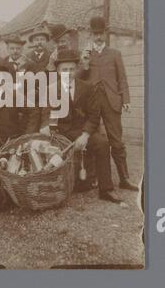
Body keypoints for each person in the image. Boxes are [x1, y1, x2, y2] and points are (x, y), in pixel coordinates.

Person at [40, 49, 122, 204]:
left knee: (103, 143)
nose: (68, 73)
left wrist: (85, 135)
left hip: (81, 130)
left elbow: (94, 116)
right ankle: (60, 187)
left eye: (71, 69)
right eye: (64, 69)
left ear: (76, 69)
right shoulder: (51, 89)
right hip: (60, 132)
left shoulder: (87, 87)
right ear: (58, 71)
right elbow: (46, 113)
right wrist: (45, 126)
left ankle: (106, 189)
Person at [79, 16, 138, 191]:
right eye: (95, 34)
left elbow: (122, 79)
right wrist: (84, 63)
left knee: (117, 141)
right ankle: (94, 177)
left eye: (101, 33)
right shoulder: (86, 55)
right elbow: (80, 79)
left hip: (112, 102)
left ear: (105, 33)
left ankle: (124, 179)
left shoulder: (115, 54)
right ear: (91, 34)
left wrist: (125, 99)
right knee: (94, 140)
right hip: (91, 105)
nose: (98, 37)